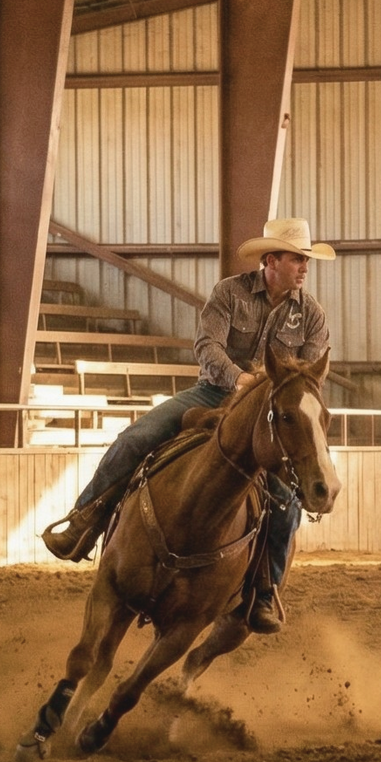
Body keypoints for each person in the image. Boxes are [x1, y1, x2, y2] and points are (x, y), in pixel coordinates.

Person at [40, 217, 334, 634]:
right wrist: (240, 379)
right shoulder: (229, 293)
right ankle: (85, 519)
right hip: (214, 393)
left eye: (306, 260)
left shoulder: (311, 315)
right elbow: (207, 346)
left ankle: (264, 591)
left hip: (268, 417)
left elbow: (308, 377)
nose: (304, 267)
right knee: (135, 439)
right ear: (271, 260)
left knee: (285, 502)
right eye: (297, 259)